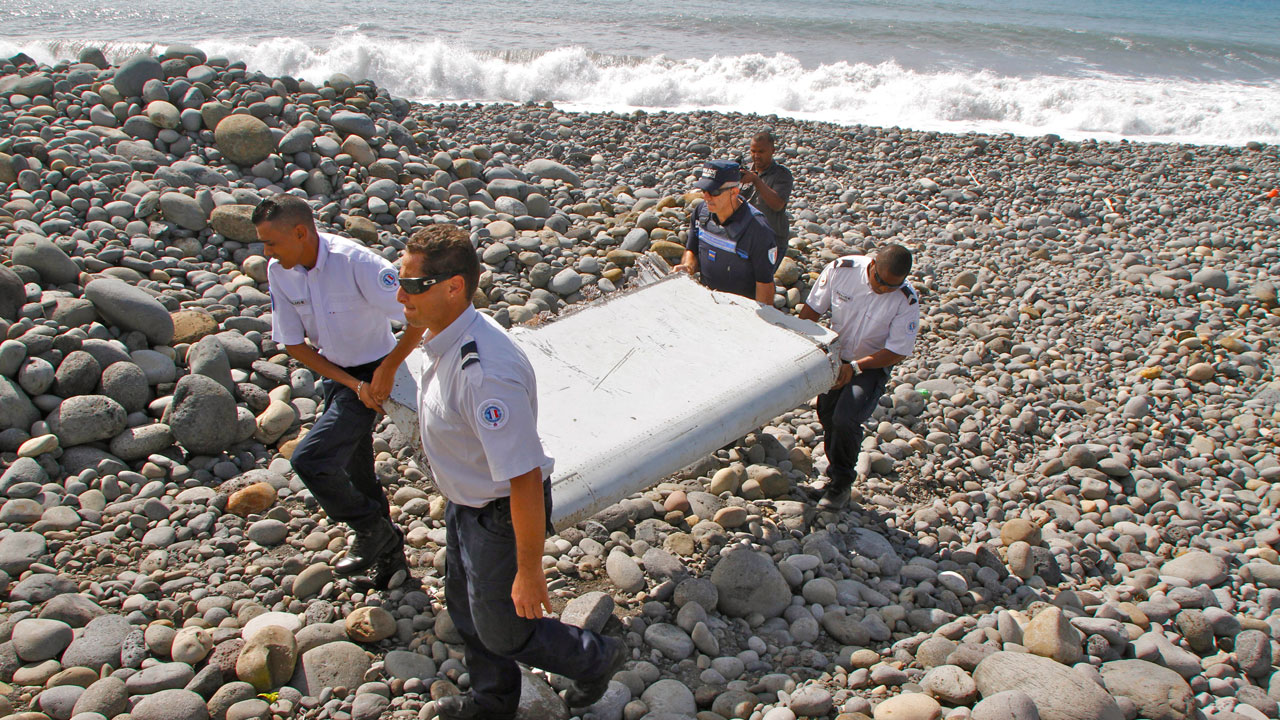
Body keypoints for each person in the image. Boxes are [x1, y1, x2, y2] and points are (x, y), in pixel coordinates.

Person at [391, 224, 627, 720]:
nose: (400, 294)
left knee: (506, 627)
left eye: (412, 286)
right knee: (466, 609)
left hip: (500, 512)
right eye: (400, 279)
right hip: (467, 503)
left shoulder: (485, 373)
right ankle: (492, 704)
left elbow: (522, 478)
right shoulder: (446, 332)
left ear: (453, 287)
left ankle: (596, 658)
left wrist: (529, 568)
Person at [255, 194, 413, 589]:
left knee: (311, 459)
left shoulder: (355, 263)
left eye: (271, 242)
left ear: (300, 232)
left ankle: (371, 530)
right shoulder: (280, 271)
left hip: (378, 371)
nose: (265, 252)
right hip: (341, 377)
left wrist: (386, 372)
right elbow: (293, 344)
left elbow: (418, 316)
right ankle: (392, 562)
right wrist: (351, 385)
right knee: (357, 473)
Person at [798, 244, 921, 510]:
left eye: (892, 286)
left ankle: (842, 483)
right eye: (880, 281)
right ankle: (832, 475)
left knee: (847, 417)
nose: (883, 289)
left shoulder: (906, 300)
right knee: (828, 416)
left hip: (871, 364)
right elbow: (812, 310)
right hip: (835, 355)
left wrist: (854, 368)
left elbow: (898, 350)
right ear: (873, 263)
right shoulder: (842, 271)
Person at [675, 160, 777, 304]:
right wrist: (688, 267)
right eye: (704, 191)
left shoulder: (758, 230)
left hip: (741, 310)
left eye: (714, 192)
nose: (706, 197)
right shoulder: (701, 213)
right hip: (707, 301)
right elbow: (691, 250)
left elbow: (765, 285)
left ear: (734, 192)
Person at [739, 130, 793, 267]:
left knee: (762, 282)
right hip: (746, 238)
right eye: (753, 151)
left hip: (772, 241)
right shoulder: (745, 172)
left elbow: (777, 204)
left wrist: (756, 181)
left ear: (772, 150)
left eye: (761, 152)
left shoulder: (782, 175)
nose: (756, 156)